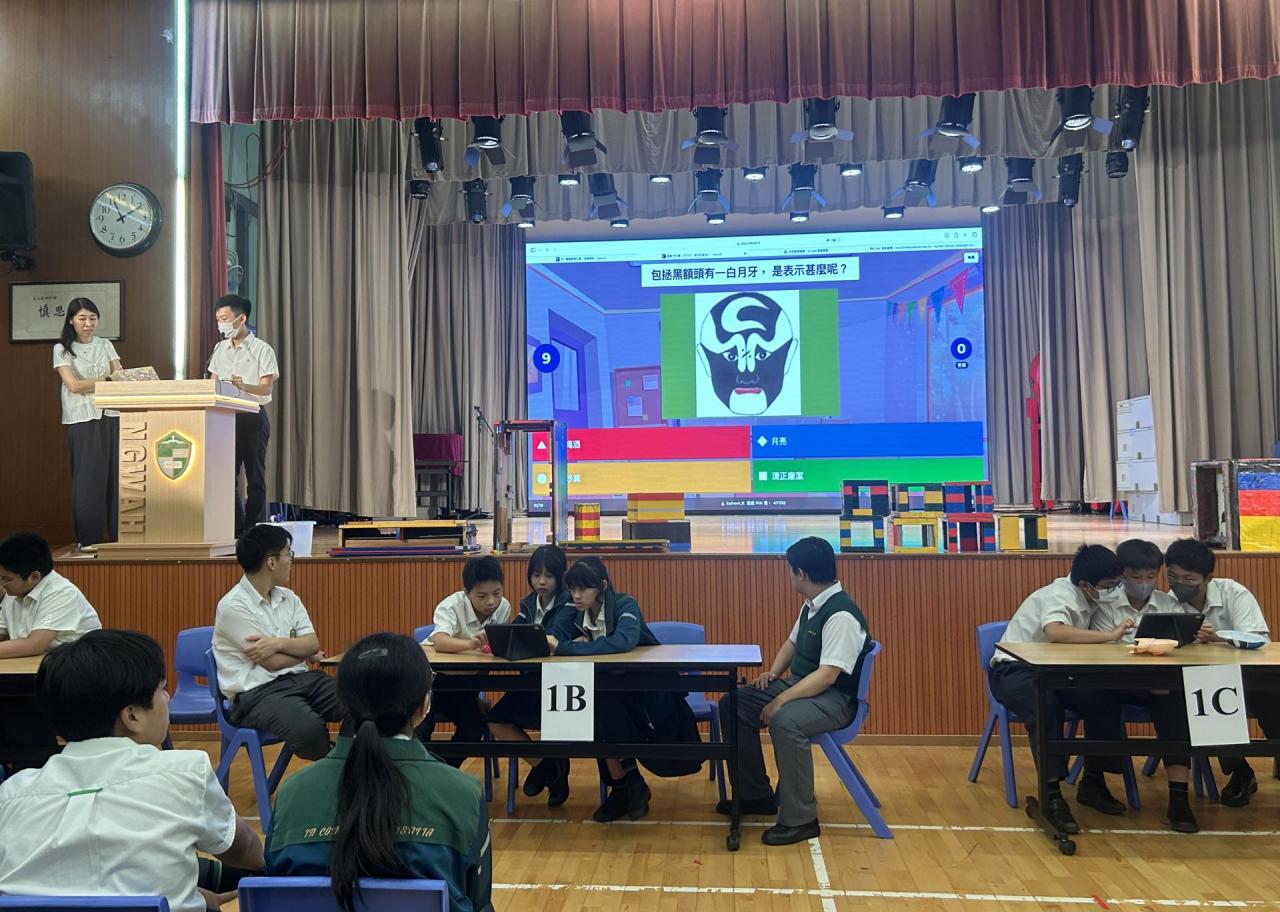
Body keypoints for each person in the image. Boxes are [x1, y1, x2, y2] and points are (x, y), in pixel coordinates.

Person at [0, 630, 264, 912]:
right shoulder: (185, 771)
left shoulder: (11, 794)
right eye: (162, 689)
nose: (168, 697)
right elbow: (246, 852)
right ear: (132, 716)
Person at [266, 632, 493, 912]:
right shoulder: (464, 795)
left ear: (344, 704)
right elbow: (479, 902)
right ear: (424, 705)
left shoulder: (291, 794)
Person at [717, 536, 872, 846]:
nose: (788, 575)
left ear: (801, 573)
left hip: (836, 699)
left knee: (785, 720)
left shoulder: (841, 615)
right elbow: (792, 643)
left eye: (790, 570)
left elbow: (827, 676)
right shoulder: (812, 605)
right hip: (804, 684)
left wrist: (781, 699)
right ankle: (754, 795)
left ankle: (801, 819)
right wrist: (774, 674)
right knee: (733, 703)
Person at [987, 545, 1132, 835]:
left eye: (1117, 584)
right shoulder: (1059, 594)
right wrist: (1109, 636)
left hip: (1057, 670)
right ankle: (1051, 795)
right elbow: (1054, 631)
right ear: (1085, 584)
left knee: (1104, 699)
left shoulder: (1093, 596)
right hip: (1015, 669)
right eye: (1108, 586)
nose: (1114, 591)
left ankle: (1093, 781)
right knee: (1046, 705)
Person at [549, 556, 692, 824]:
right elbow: (552, 638)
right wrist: (566, 643)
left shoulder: (625, 604)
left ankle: (625, 787)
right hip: (604, 689)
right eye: (572, 589)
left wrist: (570, 647)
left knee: (600, 709)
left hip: (644, 689)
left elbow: (623, 642)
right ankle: (628, 784)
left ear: (602, 586)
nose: (576, 595)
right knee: (593, 708)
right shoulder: (572, 606)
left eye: (583, 589)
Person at [1091, 538, 1199, 833]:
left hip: (1162, 682)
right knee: (1097, 700)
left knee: (1175, 701)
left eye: (1150, 577)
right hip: (1116, 684)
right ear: (1122, 574)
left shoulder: (1169, 604)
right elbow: (1101, 653)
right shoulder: (1104, 605)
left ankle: (1179, 798)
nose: (1143, 583)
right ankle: (1095, 782)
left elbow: (1186, 648)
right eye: (1136, 577)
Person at [213, 524, 341, 761]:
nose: (291, 560)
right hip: (257, 694)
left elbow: (312, 644)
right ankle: (337, 766)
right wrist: (300, 651)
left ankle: (351, 760)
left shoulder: (289, 598)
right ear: (271, 562)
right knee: (309, 731)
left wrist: (277, 644)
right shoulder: (233, 606)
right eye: (288, 554)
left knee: (359, 698)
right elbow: (272, 663)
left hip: (300, 680)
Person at [1164, 538, 1275, 808]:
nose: (1179, 584)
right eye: (1173, 576)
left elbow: (1260, 639)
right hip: (1194, 682)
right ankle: (1240, 772)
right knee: (1208, 697)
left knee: (1272, 696)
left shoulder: (1233, 593)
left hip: (1246, 678)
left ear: (1208, 578)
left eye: (1189, 579)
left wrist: (1219, 638)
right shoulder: (1166, 603)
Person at [0, 531, 102, 770]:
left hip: (77, 677)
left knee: (20, 712)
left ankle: (33, 766)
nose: (2, 585)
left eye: (6, 579)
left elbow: (34, 644)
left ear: (34, 576)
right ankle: (19, 765)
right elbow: (3, 633)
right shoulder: (14, 593)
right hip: (34, 673)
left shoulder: (60, 592)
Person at [487, 545, 576, 805]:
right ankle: (546, 766)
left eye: (548, 575)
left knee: (558, 725)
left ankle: (553, 770)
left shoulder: (570, 602)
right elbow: (515, 634)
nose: (541, 581)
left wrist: (528, 639)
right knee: (495, 722)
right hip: (530, 683)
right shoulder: (528, 603)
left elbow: (554, 638)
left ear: (561, 577)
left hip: (561, 687)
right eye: (536, 575)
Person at [416, 555, 512, 766]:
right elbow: (440, 641)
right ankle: (422, 770)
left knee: (474, 728)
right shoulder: (451, 606)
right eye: (482, 596)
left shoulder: (504, 607)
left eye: (497, 593)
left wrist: (476, 695)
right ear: (467, 592)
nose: (491, 602)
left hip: (464, 687)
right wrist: (471, 644)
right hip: (431, 682)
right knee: (420, 726)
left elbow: (488, 659)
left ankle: (445, 771)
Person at [207, 294, 280, 535]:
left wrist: (243, 386)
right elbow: (212, 382)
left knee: (254, 475)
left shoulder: (262, 349)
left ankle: (254, 528)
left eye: (225, 318)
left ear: (241, 318)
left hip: (252, 416)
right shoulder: (220, 349)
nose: (221, 324)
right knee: (226, 476)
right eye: (218, 319)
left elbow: (266, 388)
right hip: (225, 418)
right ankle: (233, 528)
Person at [53, 297, 122, 548]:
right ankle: (89, 542)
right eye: (82, 318)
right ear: (71, 320)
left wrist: (105, 381)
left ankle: (119, 540)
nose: (88, 323)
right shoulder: (62, 348)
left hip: (112, 415)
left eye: (93, 318)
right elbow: (73, 386)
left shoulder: (105, 344)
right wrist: (107, 380)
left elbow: (121, 375)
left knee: (118, 481)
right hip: (83, 419)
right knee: (88, 483)